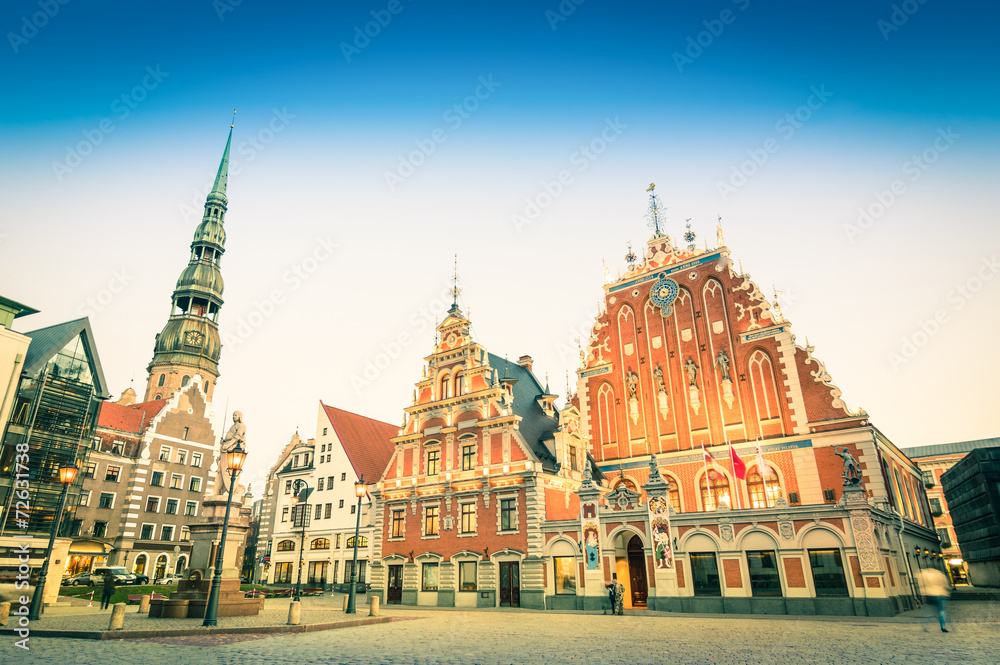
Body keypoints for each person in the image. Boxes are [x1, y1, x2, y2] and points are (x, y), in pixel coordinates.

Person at [918, 567, 951, 632]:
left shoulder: (923, 574)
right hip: (941, 594)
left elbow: (921, 584)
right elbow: (945, 585)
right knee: (941, 612)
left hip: (930, 594)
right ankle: (943, 627)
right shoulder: (940, 574)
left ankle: (924, 625)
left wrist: (923, 592)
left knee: (926, 611)